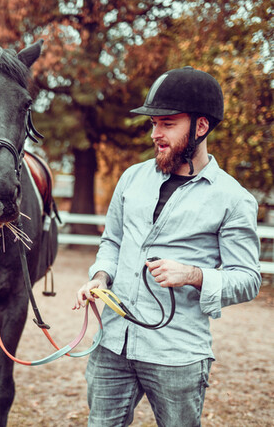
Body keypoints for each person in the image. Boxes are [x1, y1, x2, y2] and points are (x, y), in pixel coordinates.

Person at [73, 66, 261, 426]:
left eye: (167, 124)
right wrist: (100, 277)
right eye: (153, 123)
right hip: (113, 343)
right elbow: (112, 241)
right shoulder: (132, 178)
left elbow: (248, 279)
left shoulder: (233, 199)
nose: (155, 134)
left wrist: (192, 275)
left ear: (200, 126)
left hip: (177, 354)